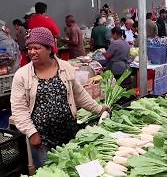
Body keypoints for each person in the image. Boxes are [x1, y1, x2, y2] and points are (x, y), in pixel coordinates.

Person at [10, 27, 108, 168]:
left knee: (71, 168)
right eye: (29, 48)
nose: (32, 52)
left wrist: (98, 109)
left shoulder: (65, 68)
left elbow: (79, 94)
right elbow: (19, 108)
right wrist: (32, 133)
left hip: (69, 133)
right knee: (49, 171)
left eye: (37, 48)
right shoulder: (22, 75)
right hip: (42, 140)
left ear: (49, 48)